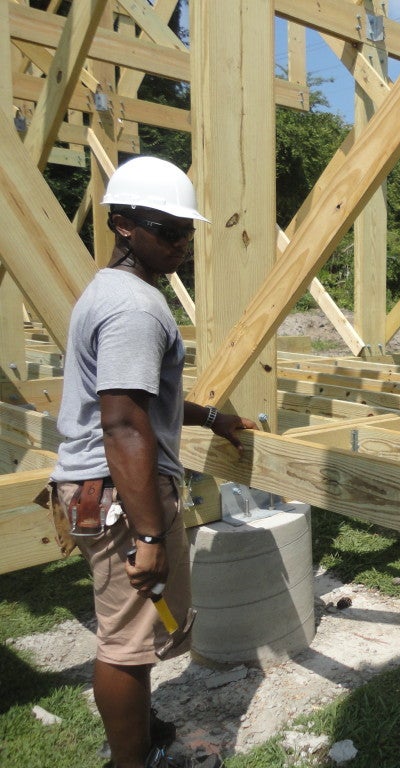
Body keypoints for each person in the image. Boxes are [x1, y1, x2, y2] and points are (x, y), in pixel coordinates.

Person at [48, 156, 257, 768]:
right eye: (167, 231)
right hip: (121, 497)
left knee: (130, 631)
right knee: (128, 644)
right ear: (123, 225)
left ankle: (139, 732)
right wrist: (148, 534)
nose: (181, 244)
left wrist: (210, 417)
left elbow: (141, 398)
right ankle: (131, 761)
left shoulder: (109, 291)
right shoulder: (137, 309)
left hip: (100, 489)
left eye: (186, 232)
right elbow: (122, 423)